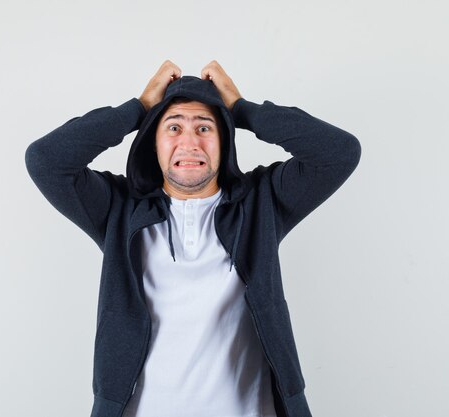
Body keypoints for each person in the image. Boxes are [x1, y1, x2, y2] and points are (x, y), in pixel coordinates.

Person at [25, 60, 361, 417]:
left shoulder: (262, 204)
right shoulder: (118, 210)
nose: (189, 142)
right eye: (173, 127)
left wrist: (241, 109)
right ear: (152, 144)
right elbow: (46, 160)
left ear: (225, 141)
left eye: (205, 127)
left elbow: (339, 153)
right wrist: (137, 108)